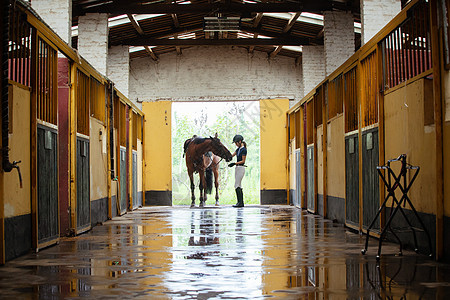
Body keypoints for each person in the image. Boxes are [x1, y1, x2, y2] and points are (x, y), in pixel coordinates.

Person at [228, 134, 247, 207]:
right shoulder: (238, 149)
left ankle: (240, 203)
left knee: (237, 185)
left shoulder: (243, 150)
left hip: (241, 168)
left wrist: (234, 163)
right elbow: (231, 155)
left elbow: (243, 161)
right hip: (237, 168)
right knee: (238, 185)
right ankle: (240, 202)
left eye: (236, 143)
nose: (235, 144)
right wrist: (227, 157)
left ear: (240, 141)